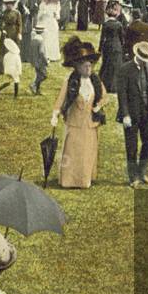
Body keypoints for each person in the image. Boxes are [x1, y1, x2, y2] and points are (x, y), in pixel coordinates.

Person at [51, 37, 108, 189]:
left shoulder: (95, 81)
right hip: (75, 123)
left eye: (90, 65)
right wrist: (55, 114)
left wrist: (98, 106)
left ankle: (85, 179)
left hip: (90, 124)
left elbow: (104, 96)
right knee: (73, 150)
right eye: (85, 66)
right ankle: (69, 180)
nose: (89, 69)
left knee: (87, 151)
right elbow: (61, 98)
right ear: (77, 66)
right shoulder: (71, 81)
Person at [116, 42, 148, 187]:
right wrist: (125, 114)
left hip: (147, 112)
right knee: (132, 146)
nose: (145, 62)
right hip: (132, 113)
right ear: (137, 55)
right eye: (143, 59)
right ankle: (133, 176)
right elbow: (121, 94)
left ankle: (142, 172)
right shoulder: (125, 69)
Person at [99, 0, 126, 92]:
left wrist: (100, 49)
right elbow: (122, 38)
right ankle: (114, 86)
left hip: (107, 45)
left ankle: (105, 84)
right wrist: (123, 46)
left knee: (107, 64)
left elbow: (102, 38)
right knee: (116, 66)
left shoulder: (105, 24)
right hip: (117, 45)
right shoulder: (119, 25)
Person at [0, 0, 23, 74]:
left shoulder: (17, 13)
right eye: (7, 4)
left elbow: (19, 24)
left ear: (13, 4)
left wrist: (19, 33)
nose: (9, 5)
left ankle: (14, 69)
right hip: (5, 33)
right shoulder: (3, 13)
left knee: (14, 50)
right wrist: (2, 29)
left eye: (10, 3)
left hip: (14, 33)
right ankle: (2, 69)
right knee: (3, 50)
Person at [29, 23, 49, 95]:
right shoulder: (41, 40)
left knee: (38, 75)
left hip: (34, 60)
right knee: (44, 75)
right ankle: (33, 84)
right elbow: (42, 52)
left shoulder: (33, 39)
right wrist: (46, 61)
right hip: (40, 61)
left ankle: (37, 90)